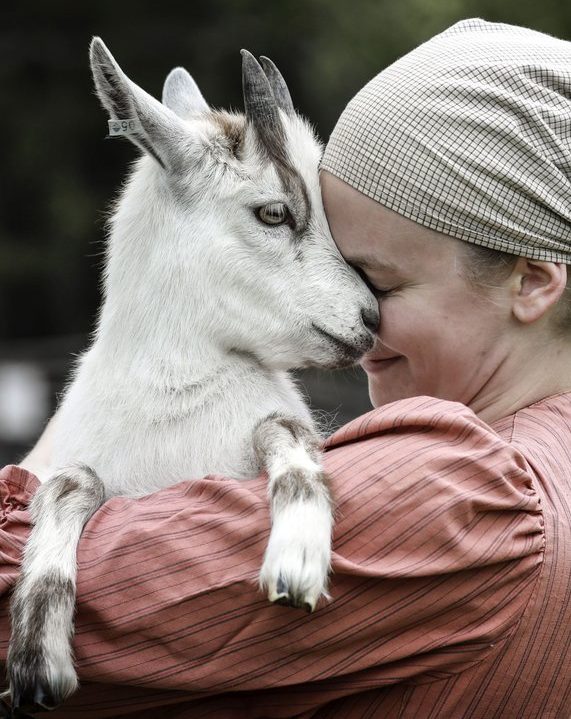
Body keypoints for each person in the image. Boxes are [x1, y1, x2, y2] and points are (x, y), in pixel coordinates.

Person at [1, 17, 570, 718]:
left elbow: (16, 612)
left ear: (532, 282)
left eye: (380, 283)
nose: (358, 319)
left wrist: (127, 368)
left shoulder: (460, 500)